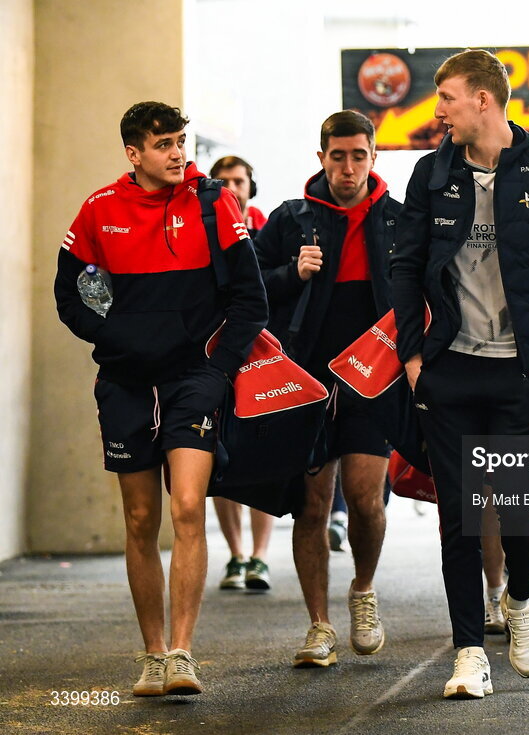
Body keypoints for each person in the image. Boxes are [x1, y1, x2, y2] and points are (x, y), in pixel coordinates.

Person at [391, 49, 529, 698]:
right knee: (458, 514)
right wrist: (414, 356)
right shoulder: (431, 173)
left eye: (447, 96)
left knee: (515, 509)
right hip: (449, 372)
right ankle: (469, 650)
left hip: (521, 375)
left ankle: (522, 601)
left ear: (484, 99)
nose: (438, 108)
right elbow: (406, 265)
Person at [54, 101, 268, 696]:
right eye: (165, 144)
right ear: (134, 153)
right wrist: (114, 337)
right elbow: (70, 295)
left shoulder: (212, 203)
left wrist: (219, 370)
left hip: (195, 380)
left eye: (181, 141)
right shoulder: (100, 209)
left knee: (187, 507)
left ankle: (181, 654)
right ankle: (151, 655)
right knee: (141, 518)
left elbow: (251, 301)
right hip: (124, 382)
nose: (178, 153)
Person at [255, 110, 399, 668]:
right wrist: (294, 273)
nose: (347, 167)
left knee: (365, 500)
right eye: (336, 156)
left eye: (357, 155)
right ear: (321, 158)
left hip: (371, 381)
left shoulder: (396, 219)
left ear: (372, 157)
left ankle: (363, 589)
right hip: (308, 381)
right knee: (311, 507)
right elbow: (251, 289)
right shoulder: (291, 220)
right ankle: (318, 626)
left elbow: (424, 294)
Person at [207, 154, 276, 591]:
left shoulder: (270, 229)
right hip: (217, 354)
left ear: (252, 186)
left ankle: (261, 558)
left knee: (264, 458)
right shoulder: (206, 227)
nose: (232, 187)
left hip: (264, 354)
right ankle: (236, 556)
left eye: (239, 180)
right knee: (222, 456)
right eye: (223, 181)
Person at [210, 155, 267, 233]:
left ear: (251, 187)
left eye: (238, 182)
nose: (231, 189)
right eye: (222, 182)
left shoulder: (260, 222)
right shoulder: (203, 221)